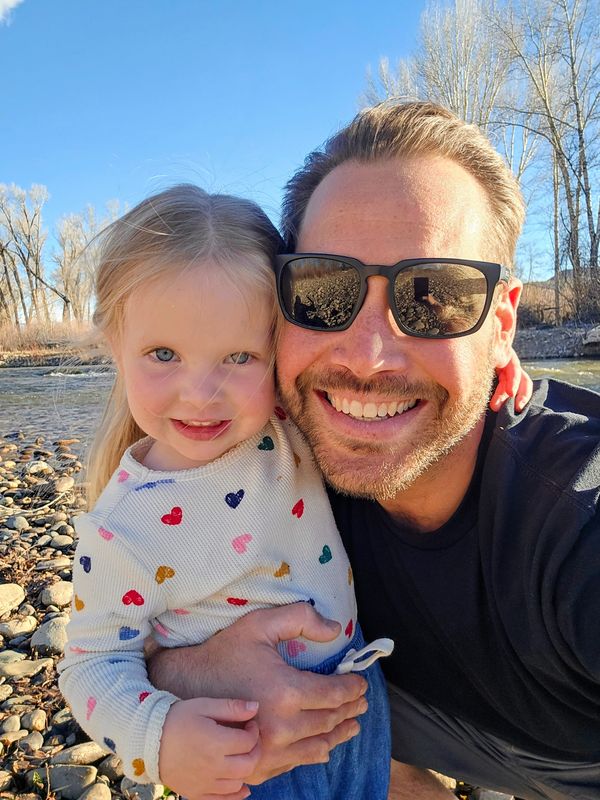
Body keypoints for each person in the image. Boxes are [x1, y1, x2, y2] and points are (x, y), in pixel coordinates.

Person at [147, 101, 600, 800]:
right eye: (327, 291)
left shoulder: (571, 517)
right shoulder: (266, 465)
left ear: (502, 325)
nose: (367, 357)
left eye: (435, 296)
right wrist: (200, 670)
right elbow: (122, 630)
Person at [58, 184, 395, 800]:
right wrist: (157, 739)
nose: (201, 393)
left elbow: (380, 405)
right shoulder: (120, 528)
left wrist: (491, 374)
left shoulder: (284, 427)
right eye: (164, 354)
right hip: (245, 744)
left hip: (360, 706)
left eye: (239, 357)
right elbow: (90, 664)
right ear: (114, 345)